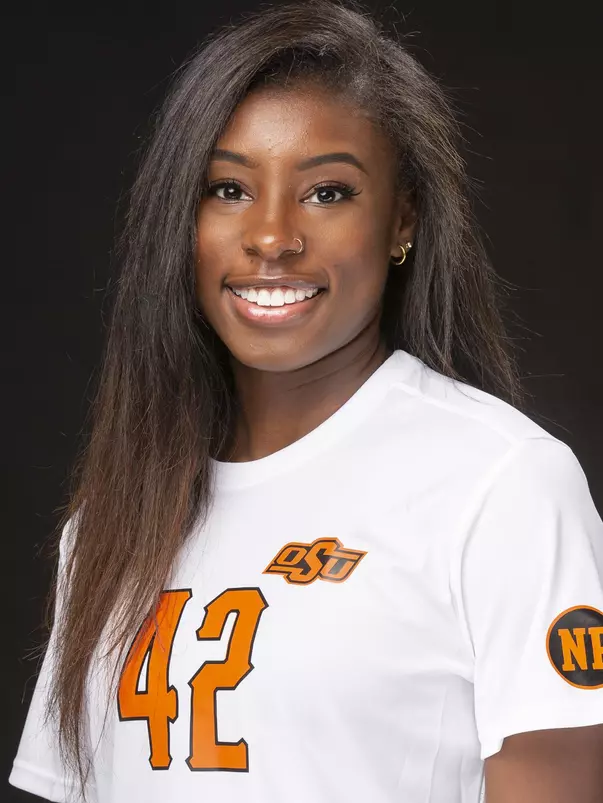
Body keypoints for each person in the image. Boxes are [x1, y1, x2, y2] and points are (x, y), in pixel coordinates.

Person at [9, 0, 603, 801]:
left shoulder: (501, 483)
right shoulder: (115, 511)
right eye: (227, 188)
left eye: (326, 193)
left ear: (403, 220)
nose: (271, 236)